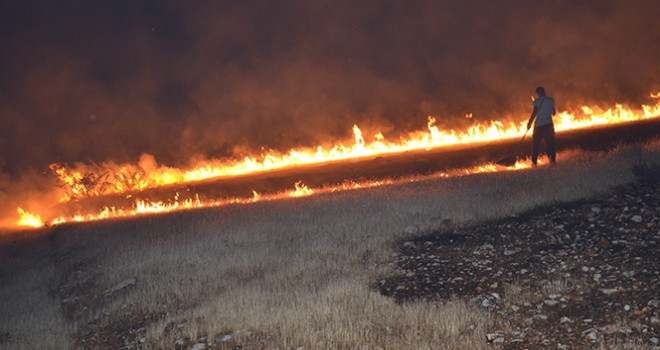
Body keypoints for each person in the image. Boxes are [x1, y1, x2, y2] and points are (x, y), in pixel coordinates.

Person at [526, 86, 557, 167]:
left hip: (539, 127)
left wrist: (529, 123)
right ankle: (552, 161)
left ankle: (534, 163)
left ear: (538, 93)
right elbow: (553, 113)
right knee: (550, 144)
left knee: (536, 145)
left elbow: (534, 112)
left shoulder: (536, 102)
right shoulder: (551, 100)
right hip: (549, 125)